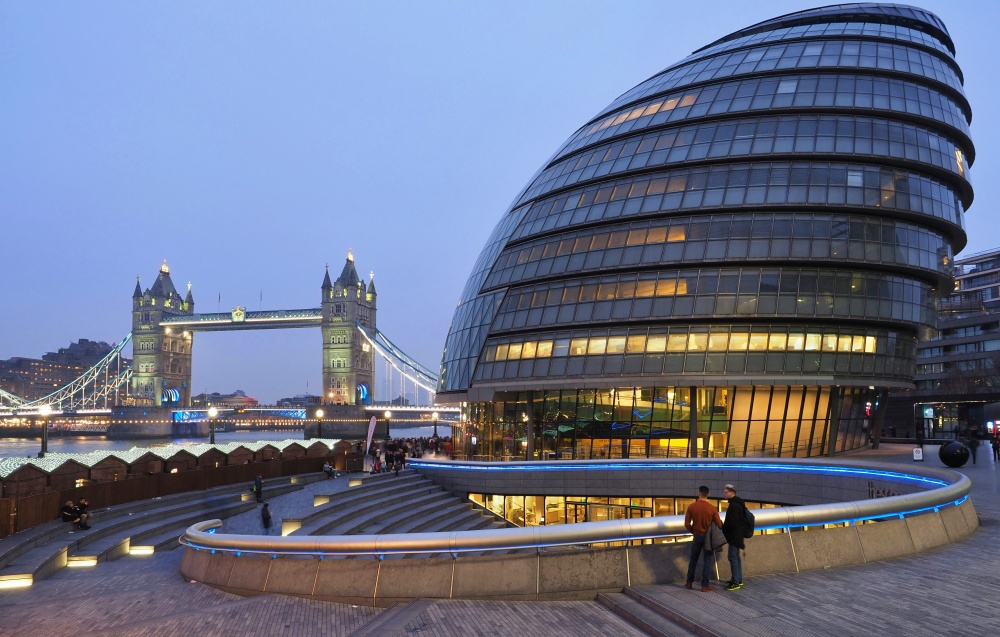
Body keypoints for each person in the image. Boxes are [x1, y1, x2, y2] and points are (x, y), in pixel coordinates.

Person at [684, 485, 723, 592]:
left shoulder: (691, 507)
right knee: (707, 560)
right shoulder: (712, 508)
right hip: (708, 537)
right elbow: (719, 525)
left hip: (697, 536)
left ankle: (689, 582)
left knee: (693, 559)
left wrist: (694, 531)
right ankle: (705, 585)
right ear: (708, 494)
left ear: (699, 493)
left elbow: (687, 524)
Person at [721, 484, 747, 591]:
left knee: (732, 557)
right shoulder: (738, 503)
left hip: (734, 536)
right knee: (736, 557)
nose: (724, 493)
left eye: (726, 492)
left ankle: (735, 582)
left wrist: (724, 529)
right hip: (738, 535)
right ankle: (738, 579)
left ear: (732, 493)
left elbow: (732, 522)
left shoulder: (733, 506)